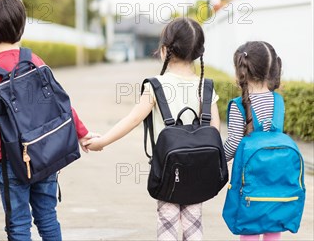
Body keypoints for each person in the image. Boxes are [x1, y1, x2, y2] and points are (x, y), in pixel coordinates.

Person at [0, 0, 94, 241]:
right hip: (45, 154)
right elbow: (61, 103)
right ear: (21, 25)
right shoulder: (35, 60)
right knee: (47, 217)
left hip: (10, 158)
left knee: (18, 224)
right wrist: (82, 133)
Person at [85, 17, 221, 241]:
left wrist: (102, 141)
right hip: (198, 172)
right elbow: (213, 131)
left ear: (165, 49)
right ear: (198, 52)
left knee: (167, 226)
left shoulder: (155, 86)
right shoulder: (205, 86)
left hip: (168, 172)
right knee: (194, 226)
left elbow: (131, 120)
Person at [223, 41, 283, 241]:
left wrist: (217, 159)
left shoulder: (238, 105)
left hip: (249, 180)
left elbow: (232, 144)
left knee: (249, 226)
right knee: (273, 225)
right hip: (277, 178)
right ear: (272, 69)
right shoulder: (278, 101)